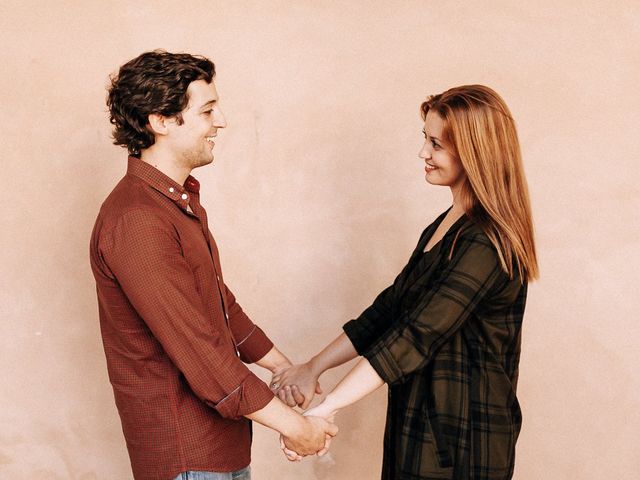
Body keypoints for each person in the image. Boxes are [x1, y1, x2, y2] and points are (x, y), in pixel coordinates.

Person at [89, 50, 337, 480]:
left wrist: (283, 367)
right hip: (187, 456)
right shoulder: (137, 220)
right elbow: (202, 354)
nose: (221, 121)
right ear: (161, 121)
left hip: (218, 448)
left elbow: (219, 305)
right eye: (207, 110)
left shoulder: (173, 203)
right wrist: (297, 428)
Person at [271, 85, 538, 479]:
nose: (423, 154)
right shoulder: (445, 226)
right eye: (424, 140)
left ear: (474, 152)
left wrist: (325, 410)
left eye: (436, 144)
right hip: (419, 426)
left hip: (464, 442)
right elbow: (389, 310)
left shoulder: (486, 241)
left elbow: (416, 335)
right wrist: (314, 367)